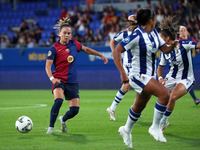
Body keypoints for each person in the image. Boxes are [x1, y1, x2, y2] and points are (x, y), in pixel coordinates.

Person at [113, 9, 178, 148]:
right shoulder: (136, 35)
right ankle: (155, 127)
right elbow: (117, 50)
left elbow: (164, 49)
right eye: (154, 18)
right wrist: (122, 73)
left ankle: (126, 130)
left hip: (149, 75)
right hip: (137, 75)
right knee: (165, 94)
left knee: (140, 105)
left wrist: (171, 46)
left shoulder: (154, 33)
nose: (156, 20)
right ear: (151, 20)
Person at [45, 17, 108, 134]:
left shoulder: (74, 44)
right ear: (59, 33)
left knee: (74, 110)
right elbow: (47, 66)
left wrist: (101, 55)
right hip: (59, 80)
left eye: (69, 33)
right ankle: (51, 127)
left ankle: (63, 120)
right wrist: (52, 78)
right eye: (64, 33)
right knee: (58, 101)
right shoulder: (54, 49)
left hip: (72, 81)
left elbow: (87, 50)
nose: (67, 35)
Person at [157, 16, 200, 131]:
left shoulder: (183, 44)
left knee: (172, 98)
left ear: (166, 38)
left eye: (161, 38)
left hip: (186, 78)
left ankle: (163, 122)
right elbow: (159, 68)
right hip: (171, 78)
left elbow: (198, 45)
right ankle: (161, 119)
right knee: (161, 97)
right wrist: (160, 78)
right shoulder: (164, 51)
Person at [107, 14, 137, 121]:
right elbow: (112, 41)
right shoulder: (124, 34)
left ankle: (136, 108)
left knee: (141, 86)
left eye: (132, 21)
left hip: (138, 64)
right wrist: (113, 52)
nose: (130, 23)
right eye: (129, 21)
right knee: (127, 86)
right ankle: (113, 108)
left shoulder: (140, 34)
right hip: (128, 65)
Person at [177, 25, 200, 105]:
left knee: (188, 81)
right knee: (187, 81)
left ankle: (195, 99)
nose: (183, 32)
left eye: (184, 30)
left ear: (187, 31)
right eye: (181, 31)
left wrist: (193, 47)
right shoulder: (178, 41)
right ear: (179, 33)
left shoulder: (191, 40)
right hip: (180, 64)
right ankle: (195, 99)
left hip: (189, 64)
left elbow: (197, 51)